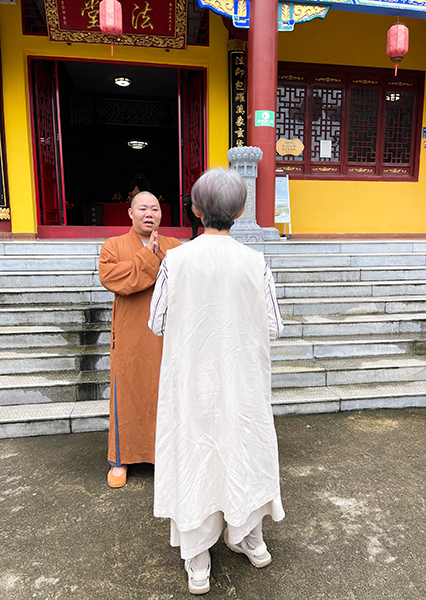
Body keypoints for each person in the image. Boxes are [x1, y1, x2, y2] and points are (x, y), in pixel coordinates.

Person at [149, 168, 285, 595]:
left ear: (195, 209)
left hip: (192, 383)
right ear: (241, 212)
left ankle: (197, 557)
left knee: (195, 454)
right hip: (242, 381)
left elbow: (156, 323)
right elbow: (274, 326)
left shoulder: (175, 260)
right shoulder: (255, 262)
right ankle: (247, 535)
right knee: (243, 449)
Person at [99, 191, 181, 488]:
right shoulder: (113, 246)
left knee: (166, 395)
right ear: (130, 213)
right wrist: (149, 257)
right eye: (143, 208)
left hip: (166, 335)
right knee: (128, 394)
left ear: (161, 214)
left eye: (155, 209)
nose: (149, 214)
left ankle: (165, 457)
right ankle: (120, 459)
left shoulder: (174, 247)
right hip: (131, 335)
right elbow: (114, 279)